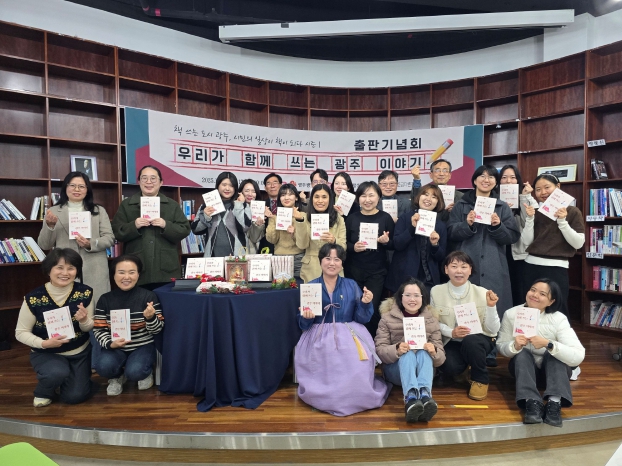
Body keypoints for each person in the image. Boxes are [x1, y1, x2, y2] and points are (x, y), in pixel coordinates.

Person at [295, 243, 390, 416]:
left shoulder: (351, 284)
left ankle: (354, 395)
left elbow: (362, 318)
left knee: (353, 359)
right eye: (328, 258)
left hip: (349, 333)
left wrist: (365, 303)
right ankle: (325, 395)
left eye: (337, 259)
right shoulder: (311, 286)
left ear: (342, 263)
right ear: (320, 261)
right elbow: (304, 325)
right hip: (318, 335)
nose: (332, 263)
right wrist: (306, 317)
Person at [497, 278, 585, 427]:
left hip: (552, 374)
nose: (535, 295)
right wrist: (514, 346)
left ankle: (554, 403)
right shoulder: (511, 314)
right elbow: (501, 346)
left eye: (542, 294)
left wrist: (548, 344)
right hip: (524, 372)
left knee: (554, 354)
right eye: (533, 290)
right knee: (522, 354)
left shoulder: (559, 318)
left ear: (551, 301)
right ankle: (531, 403)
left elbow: (578, 355)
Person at [15, 248, 94, 407]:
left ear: (77, 271)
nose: (65, 273)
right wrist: (44, 343)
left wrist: (84, 320)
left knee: (75, 397)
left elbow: (88, 328)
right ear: (49, 269)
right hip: (46, 353)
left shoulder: (85, 292)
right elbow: (20, 332)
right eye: (59, 267)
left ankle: (69, 380)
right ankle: (44, 391)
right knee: (57, 372)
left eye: (71, 268)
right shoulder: (33, 298)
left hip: (79, 352)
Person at [447, 164, 520, 319]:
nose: (486, 180)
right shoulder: (461, 205)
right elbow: (450, 233)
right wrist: (467, 225)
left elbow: (512, 237)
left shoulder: (502, 206)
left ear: (496, 182)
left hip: (494, 265)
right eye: (482, 176)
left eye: (491, 177)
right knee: (466, 307)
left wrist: (498, 226)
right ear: (474, 180)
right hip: (466, 263)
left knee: (494, 307)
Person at [430, 251, 500, 401]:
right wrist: (451, 332)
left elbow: (493, 329)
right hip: (451, 340)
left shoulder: (482, 292)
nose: (459, 271)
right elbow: (433, 323)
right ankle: (462, 369)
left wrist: (491, 306)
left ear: (470, 270)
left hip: (479, 340)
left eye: (463, 266)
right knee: (449, 366)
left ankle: (480, 379)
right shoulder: (436, 291)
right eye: (454, 266)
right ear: (446, 269)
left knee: (471, 341)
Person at [38, 172, 114, 310]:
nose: (77, 189)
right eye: (72, 185)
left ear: (87, 190)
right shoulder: (53, 212)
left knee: (97, 310)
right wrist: (50, 226)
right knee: (69, 310)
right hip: (65, 269)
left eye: (81, 186)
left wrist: (90, 243)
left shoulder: (98, 211)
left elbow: (109, 238)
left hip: (95, 268)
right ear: (65, 188)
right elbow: (44, 245)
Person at [375, 278, 446, 422]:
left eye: (416, 295)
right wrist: (396, 349)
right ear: (400, 297)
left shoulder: (431, 320)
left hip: (423, 370)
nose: (412, 299)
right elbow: (380, 351)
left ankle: (425, 396)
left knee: (424, 353)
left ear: (423, 298)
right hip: (396, 371)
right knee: (407, 355)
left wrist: (434, 351)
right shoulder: (387, 318)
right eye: (407, 295)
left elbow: (441, 359)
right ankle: (411, 398)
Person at [93, 255, 164, 396]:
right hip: (115, 346)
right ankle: (117, 377)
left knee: (135, 372)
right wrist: (110, 343)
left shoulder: (148, 296)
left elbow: (157, 329)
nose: (126, 277)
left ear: (138, 274)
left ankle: (145, 373)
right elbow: (99, 328)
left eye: (132, 272)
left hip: (142, 346)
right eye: (121, 272)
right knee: (102, 366)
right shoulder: (105, 299)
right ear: (113, 274)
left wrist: (150, 317)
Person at [112, 165, 190, 290]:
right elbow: (117, 232)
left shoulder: (172, 205)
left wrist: (165, 225)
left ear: (161, 182)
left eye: (153, 178)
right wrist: (134, 225)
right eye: (144, 178)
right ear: (139, 181)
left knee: (165, 300)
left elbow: (184, 229)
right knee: (140, 300)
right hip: (136, 267)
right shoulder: (127, 205)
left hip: (166, 268)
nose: (149, 182)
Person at [520, 174, 585, 317]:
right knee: (529, 308)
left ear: (558, 187)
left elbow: (578, 243)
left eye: (547, 187)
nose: (543, 192)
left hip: (557, 268)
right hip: (531, 267)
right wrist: (530, 219)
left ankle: (556, 334)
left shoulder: (572, 212)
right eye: (538, 190)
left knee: (557, 309)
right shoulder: (536, 211)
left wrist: (562, 221)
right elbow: (526, 242)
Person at [344, 181, 395, 336]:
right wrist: (353, 247)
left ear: (378, 197)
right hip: (353, 271)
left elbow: (394, 244)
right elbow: (344, 243)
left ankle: (371, 342)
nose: (367, 200)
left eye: (371, 195)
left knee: (371, 307)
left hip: (376, 272)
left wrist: (386, 242)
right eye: (363, 196)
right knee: (353, 306)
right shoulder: (351, 219)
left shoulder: (385, 218)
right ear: (358, 198)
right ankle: (354, 342)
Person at [385, 183, 447, 294]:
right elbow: (397, 244)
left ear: (438, 202)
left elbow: (441, 257)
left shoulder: (440, 225)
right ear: (419, 197)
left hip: (428, 278)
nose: (428, 199)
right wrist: (412, 228)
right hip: (404, 276)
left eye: (434, 197)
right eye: (425, 194)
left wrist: (435, 245)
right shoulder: (405, 218)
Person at [191, 172, 263, 257]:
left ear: (235, 188)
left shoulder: (243, 205)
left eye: (231, 185)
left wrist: (239, 206)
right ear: (218, 186)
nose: (227, 188)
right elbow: (195, 230)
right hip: (213, 257)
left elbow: (245, 228)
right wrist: (206, 217)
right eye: (224, 185)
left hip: (238, 257)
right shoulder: (207, 205)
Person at [499, 165, 539, 306]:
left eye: (512, 177)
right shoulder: (494, 199)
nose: (508, 181)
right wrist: (503, 210)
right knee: (501, 289)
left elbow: (527, 222)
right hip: (499, 251)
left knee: (519, 289)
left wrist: (524, 196)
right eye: (504, 177)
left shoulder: (524, 197)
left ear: (518, 180)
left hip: (518, 251)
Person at [294, 184, 346, 283]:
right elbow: (302, 245)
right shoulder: (304, 217)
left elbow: (343, 247)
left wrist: (334, 240)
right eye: (316, 197)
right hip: (311, 269)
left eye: (324, 197)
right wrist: (300, 222)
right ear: (311, 199)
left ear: (330, 199)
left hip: (333, 268)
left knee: (335, 293)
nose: (320, 201)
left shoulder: (339, 219)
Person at [265, 183, 305, 277]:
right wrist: (271, 219)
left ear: (296, 198)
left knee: (298, 285)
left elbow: (304, 242)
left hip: (298, 258)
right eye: (283, 195)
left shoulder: (303, 216)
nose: (286, 198)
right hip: (279, 258)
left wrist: (294, 233)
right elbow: (272, 240)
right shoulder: (275, 217)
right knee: (280, 285)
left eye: (290, 194)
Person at [236, 179, 265, 253]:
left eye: (253, 191)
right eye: (247, 191)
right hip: (236, 251)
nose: (250, 194)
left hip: (251, 252)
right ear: (241, 192)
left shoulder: (260, 209)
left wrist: (258, 226)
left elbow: (254, 239)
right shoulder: (234, 207)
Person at [259, 172, 283, 253]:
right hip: (266, 247)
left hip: (284, 247)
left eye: (275, 182)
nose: (272, 186)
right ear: (265, 188)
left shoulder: (288, 204)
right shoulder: (261, 206)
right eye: (268, 183)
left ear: (280, 186)